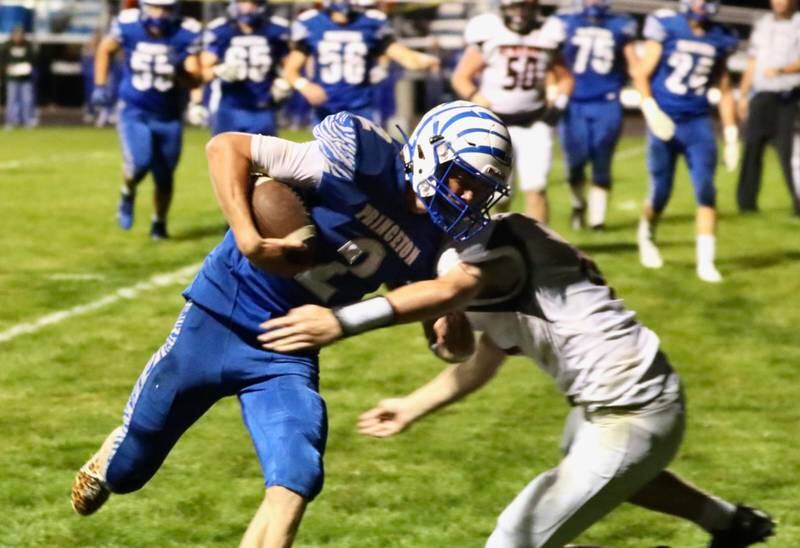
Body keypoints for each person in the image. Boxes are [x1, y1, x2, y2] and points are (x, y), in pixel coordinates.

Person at [70, 101, 513, 548]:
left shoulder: (440, 240)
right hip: (215, 319)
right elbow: (226, 148)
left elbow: (452, 345)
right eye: (464, 179)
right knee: (129, 470)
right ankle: (111, 458)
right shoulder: (362, 157)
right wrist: (250, 241)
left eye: (482, 188)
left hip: (287, 350)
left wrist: (448, 328)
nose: (470, 198)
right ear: (428, 153)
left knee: (299, 470)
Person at [257, 212, 776, 548]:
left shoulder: (489, 244)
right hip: (619, 405)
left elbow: (455, 291)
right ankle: (729, 523)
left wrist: (345, 320)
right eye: (461, 178)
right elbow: (477, 357)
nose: (471, 192)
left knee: (514, 538)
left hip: (631, 409)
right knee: (609, 469)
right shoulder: (477, 245)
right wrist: (412, 405)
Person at [633, 0, 739, 283]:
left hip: (697, 121)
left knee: (706, 189)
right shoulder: (667, 26)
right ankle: (647, 235)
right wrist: (651, 109)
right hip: (664, 119)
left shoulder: (720, 36)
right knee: (661, 192)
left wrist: (730, 133)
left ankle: (706, 261)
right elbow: (641, 74)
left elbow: (725, 88)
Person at [451, 0, 574, 224]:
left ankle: (538, 248)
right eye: (517, 7)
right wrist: (475, 95)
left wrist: (560, 103)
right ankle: (496, 240)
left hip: (533, 122)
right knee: (497, 193)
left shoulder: (546, 34)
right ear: (505, 9)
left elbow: (564, 77)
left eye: (526, 7)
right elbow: (461, 76)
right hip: (495, 124)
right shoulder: (490, 33)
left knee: (536, 187)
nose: (521, 13)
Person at [91, 0, 202, 240]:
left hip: (169, 115)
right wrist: (100, 85)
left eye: (165, 8)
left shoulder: (186, 31)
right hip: (135, 109)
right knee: (140, 162)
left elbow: (195, 80)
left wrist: (180, 71)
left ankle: (159, 223)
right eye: (155, 7)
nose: (160, 13)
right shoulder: (128, 24)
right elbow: (104, 49)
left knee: (164, 177)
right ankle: (127, 191)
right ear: (143, 7)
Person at [543, 0, 638, 230]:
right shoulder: (564, 22)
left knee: (602, 162)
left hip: (607, 101)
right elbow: (549, 61)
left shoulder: (620, 24)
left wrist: (647, 94)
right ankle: (578, 205)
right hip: (574, 102)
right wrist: (552, 90)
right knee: (575, 163)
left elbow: (634, 63)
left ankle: (598, 220)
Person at [283, 0, 439, 123]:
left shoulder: (371, 23)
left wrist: (426, 60)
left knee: (366, 161)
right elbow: (290, 71)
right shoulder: (313, 23)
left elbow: (405, 58)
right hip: (326, 108)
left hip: (360, 108)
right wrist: (304, 86)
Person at [735, 0, 800, 216]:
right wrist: (743, 95)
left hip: (788, 98)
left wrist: (782, 70)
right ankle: (746, 204)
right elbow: (753, 61)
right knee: (752, 149)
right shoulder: (763, 24)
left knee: (789, 154)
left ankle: (798, 203)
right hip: (762, 96)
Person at [199, 0, 292, 136]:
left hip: (263, 108)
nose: (247, 8)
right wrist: (217, 71)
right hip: (229, 109)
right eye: (242, 2)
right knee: (225, 156)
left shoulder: (274, 30)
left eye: (252, 3)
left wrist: (285, 83)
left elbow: (290, 65)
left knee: (264, 157)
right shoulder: (222, 30)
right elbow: (202, 71)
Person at [1, 25, 37, 129]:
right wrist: (6, 68)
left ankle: (27, 120)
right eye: (16, 34)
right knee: (11, 101)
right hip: (12, 78)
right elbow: (2, 61)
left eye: (20, 34)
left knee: (27, 100)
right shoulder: (6, 46)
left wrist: (28, 66)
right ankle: (11, 121)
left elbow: (33, 60)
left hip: (26, 78)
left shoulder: (28, 46)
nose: (18, 36)